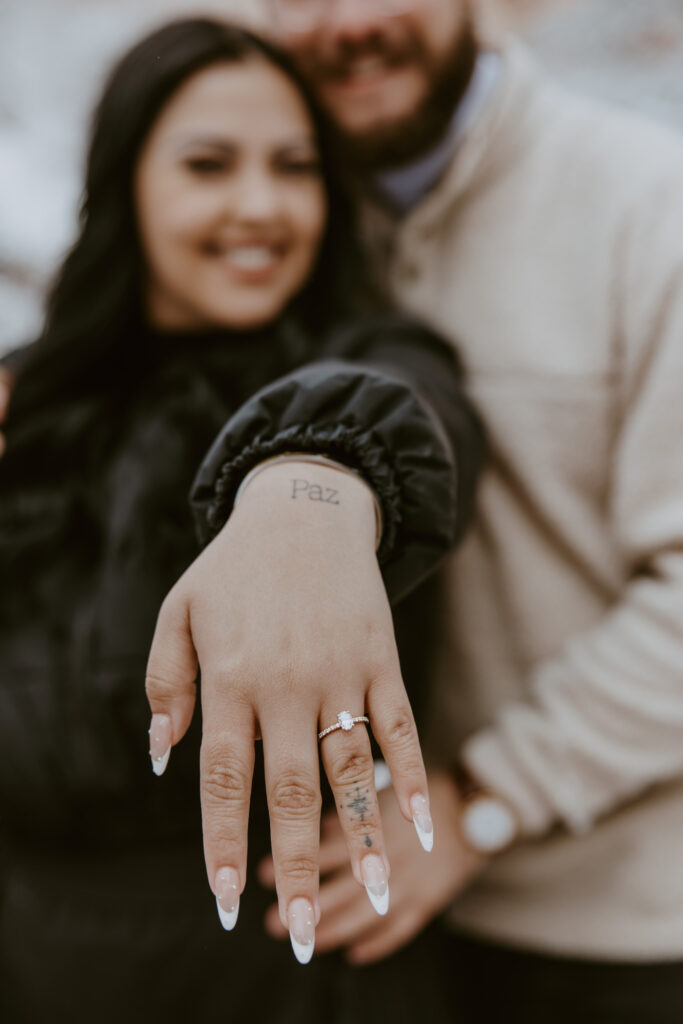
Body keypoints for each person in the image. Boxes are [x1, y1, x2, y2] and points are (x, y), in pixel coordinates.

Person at [143, 1, 683, 1020]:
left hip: (619, 936)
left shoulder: (649, 206)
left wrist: (476, 804)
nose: (347, 22)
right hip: (373, 933)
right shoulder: (289, 203)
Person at [0, 17, 484, 1023]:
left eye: (296, 167)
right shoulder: (29, 406)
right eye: (209, 165)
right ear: (126, 181)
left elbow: (400, 408)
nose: (259, 207)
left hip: (286, 975)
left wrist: (309, 478)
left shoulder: (372, 351)